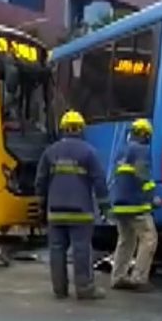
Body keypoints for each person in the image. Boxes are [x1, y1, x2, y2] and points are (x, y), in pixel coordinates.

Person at [35, 110, 109, 300]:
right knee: (81, 249)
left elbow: (40, 181)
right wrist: (104, 206)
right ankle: (84, 289)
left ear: (63, 129)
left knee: (57, 250)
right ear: (81, 129)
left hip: (55, 212)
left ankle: (59, 289)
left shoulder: (50, 152)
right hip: (81, 213)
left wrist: (40, 206)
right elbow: (99, 181)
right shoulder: (89, 152)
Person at [109, 118, 158, 292]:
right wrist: (152, 197)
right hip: (136, 204)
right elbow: (143, 176)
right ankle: (139, 278)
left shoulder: (121, 150)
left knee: (125, 241)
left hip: (119, 204)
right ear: (145, 135)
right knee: (149, 239)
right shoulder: (141, 150)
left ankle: (118, 277)